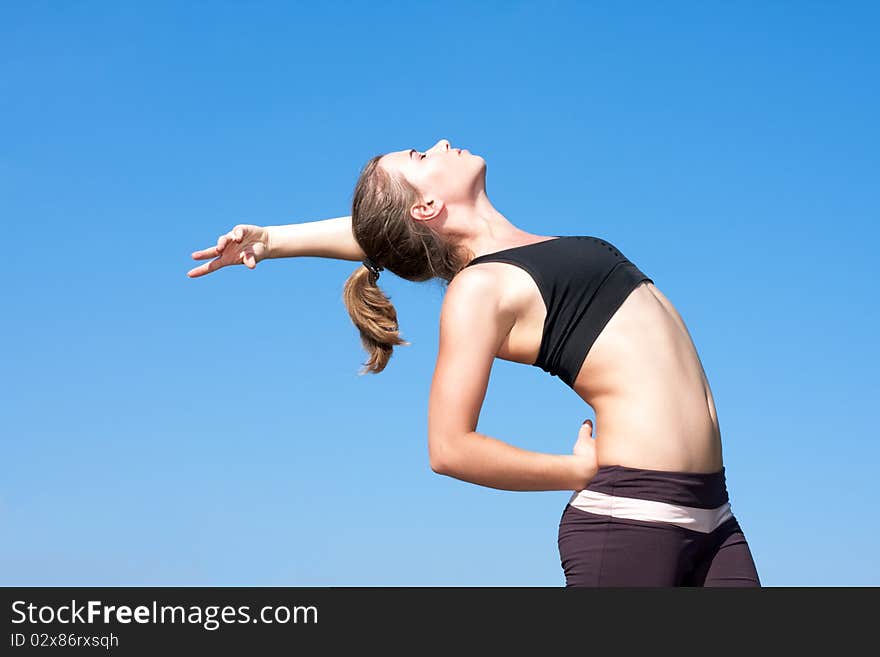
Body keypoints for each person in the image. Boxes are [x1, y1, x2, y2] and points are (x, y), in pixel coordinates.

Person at [187, 138, 761, 587]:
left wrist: (272, 239)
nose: (439, 143)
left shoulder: (519, 254)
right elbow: (449, 447)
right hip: (632, 516)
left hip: (714, 513)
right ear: (429, 203)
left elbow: (390, 233)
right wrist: (574, 470)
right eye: (420, 156)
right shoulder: (478, 290)